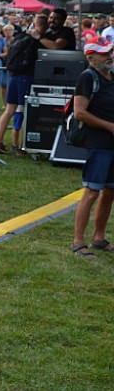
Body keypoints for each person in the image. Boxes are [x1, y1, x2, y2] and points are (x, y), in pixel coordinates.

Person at [69, 37, 114, 259]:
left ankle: (99, 237)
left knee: (110, 192)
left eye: (111, 52)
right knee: (92, 192)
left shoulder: (111, 76)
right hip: (99, 144)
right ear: (91, 58)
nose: (110, 56)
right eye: (105, 53)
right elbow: (79, 112)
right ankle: (78, 241)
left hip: (111, 144)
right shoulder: (87, 77)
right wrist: (110, 127)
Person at [0, 13, 47, 154]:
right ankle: (22, 147)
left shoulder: (21, 35)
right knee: (25, 111)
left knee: (9, 110)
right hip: (26, 77)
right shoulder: (37, 39)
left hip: (13, 76)